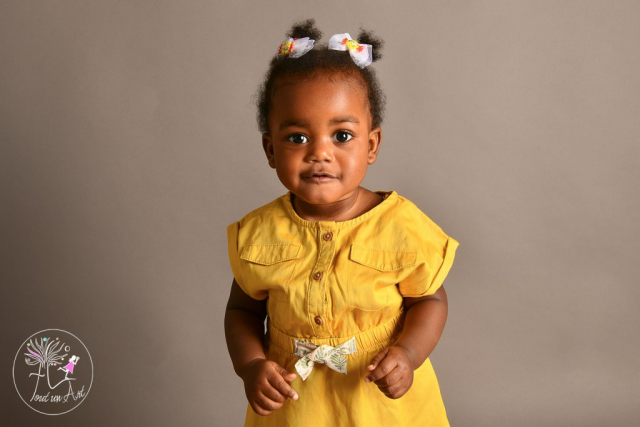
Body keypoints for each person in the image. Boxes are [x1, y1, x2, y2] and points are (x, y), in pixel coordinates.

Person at [224, 18, 460, 426]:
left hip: (379, 403)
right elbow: (242, 311)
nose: (320, 153)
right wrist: (250, 366)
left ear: (371, 145)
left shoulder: (402, 225)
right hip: (296, 406)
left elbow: (431, 300)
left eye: (342, 136)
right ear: (270, 149)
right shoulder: (259, 232)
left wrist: (408, 354)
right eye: (298, 138)